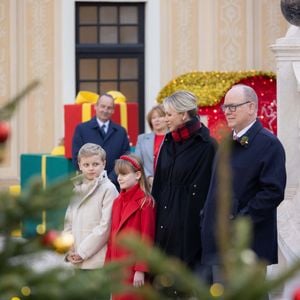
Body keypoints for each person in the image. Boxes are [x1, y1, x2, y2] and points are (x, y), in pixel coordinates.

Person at [200, 84, 286, 283]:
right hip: (218, 245)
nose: (228, 112)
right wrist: (205, 217)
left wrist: (238, 222)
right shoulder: (226, 143)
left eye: (233, 106)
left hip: (248, 247)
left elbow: (272, 193)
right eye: (225, 107)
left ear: (252, 107)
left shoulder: (269, 144)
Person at [151, 91, 217, 271]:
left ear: (183, 114)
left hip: (190, 234)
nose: (165, 119)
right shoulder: (168, 142)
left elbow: (209, 194)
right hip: (164, 229)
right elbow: (158, 186)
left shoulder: (208, 146)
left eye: (169, 114)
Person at [105, 154, 156, 300]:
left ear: (138, 175)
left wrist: (140, 269)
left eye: (124, 174)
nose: (119, 178)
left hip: (132, 268)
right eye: (118, 174)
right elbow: (112, 236)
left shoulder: (145, 203)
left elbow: (147, 238)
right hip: (116, 266)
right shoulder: (117, 202)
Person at [64, 143, 119, 269]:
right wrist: (69, 250)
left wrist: (82, 252)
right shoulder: (76, 189)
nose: (91, 168)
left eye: (95, 164)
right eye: (86, 165)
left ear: (104, 164)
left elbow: (105, 227)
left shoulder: (109, 189)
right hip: (76, 258)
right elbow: (68, 223)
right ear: (80, 165)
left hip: (97, 259)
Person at [72, 93, 130, 186]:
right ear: (96, 107)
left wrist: (110, 179)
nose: (105, 110)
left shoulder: (121, 132)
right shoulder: (81, 129)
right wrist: (90, 178)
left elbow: (124, 158)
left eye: (109, 108)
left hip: (114, 185)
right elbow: (76, 157)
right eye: (102, 106)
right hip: (88, 184)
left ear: (113, 110)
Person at [134, 105, 168, 188]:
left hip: (168, 183)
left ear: (166, 118)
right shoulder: (142, 138)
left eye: (160, 116)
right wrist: (149, 177)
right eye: (153, 118)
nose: (157, 120)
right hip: (148, 184)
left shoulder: (174, 137)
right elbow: (137, 162)